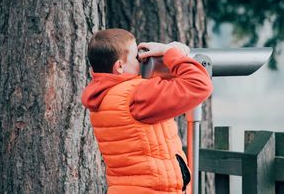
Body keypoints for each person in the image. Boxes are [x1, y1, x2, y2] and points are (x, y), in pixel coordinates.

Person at [81, 28, 213, 194]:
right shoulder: (135, 96)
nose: (142, 60)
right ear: (120, 66)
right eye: (137, 56)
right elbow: (200, 85)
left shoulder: (104, 95)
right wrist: (170, 53)